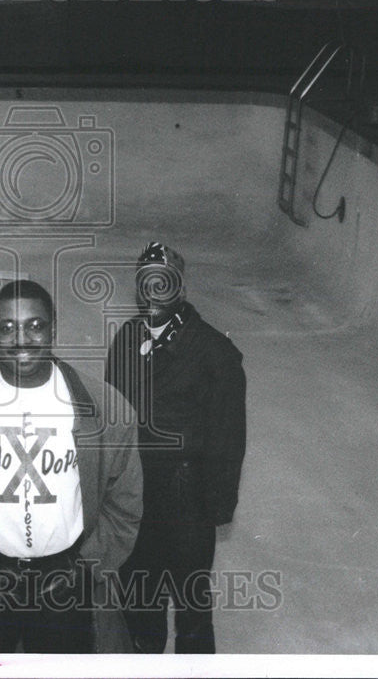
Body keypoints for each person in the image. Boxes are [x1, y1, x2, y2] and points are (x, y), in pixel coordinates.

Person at [0, 280, 142, 653]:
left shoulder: (103, 406)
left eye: (35, 325)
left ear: (54, 328)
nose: (21, 339)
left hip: (64, 582)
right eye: (7, 328)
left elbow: (126, 502)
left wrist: (84, 571)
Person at [105, 241, 246, 654]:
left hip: (187, 500)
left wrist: (218, 505)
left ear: (180, 290)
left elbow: (227, 436)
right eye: (145, 284)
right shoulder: (128, 337)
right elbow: (113, 416)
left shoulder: (214, 352)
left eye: (163, 284)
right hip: (135, 495)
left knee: (191, 608)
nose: (153, 294)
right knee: (137, 601)